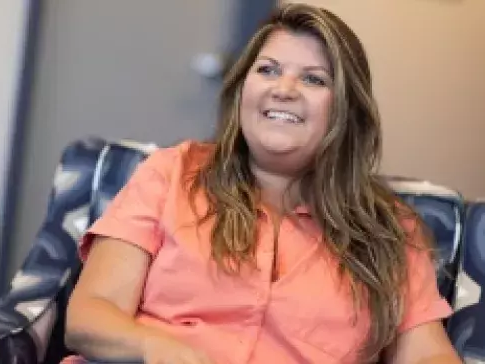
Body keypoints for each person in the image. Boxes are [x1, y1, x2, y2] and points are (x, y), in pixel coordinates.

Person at [62, 4, 462, 364]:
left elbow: (428, 354)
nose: (283, 90)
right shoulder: (171, 173)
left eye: (313, 79)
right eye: (268, 70)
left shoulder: (389, 229)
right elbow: (90, 314)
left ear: (347, 109)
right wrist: (153, 347)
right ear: (242, 90)